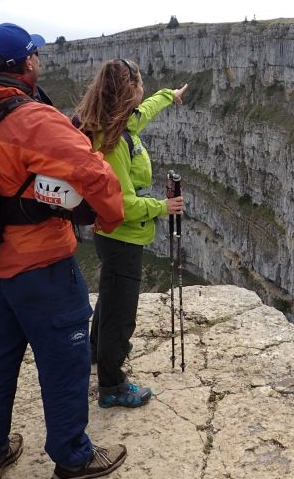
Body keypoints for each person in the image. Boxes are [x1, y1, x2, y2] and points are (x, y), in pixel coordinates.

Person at [0, 23, 129, 479]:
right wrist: (110, 217)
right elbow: (93, 172)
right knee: (66, 358)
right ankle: (73, 456)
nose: (39, 61)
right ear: (26, 62)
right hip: (42, 265)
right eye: (35, 55)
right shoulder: (31, 118)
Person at [75, 58, 186, 408]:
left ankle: (96, 351)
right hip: (123, 236)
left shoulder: (117, 123)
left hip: (112, 237)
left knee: (110, 294)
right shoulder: (114, 143)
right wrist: (161, 207)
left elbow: (145, 112)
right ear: (129, 91)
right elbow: (120, 203)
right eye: (140, 83)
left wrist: (169, 96)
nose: (144, 89)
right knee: (122, 313)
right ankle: (112, 384)